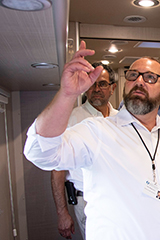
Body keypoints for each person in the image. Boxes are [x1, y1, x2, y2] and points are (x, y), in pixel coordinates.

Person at [23, 41, 160, 240]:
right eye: (133, 75)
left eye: (150, 77)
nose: (140, 81)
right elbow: (39, 152)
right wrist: (67, 94)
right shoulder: (98, 132)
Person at [51, 62, 118, 239]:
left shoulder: (121, 120)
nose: (96, 88)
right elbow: (58, 170)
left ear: (113, 88)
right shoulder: (71, 119)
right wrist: (62, 213)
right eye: (91, 83)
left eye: (102, 83)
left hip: (119, 199)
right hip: (87, 200)